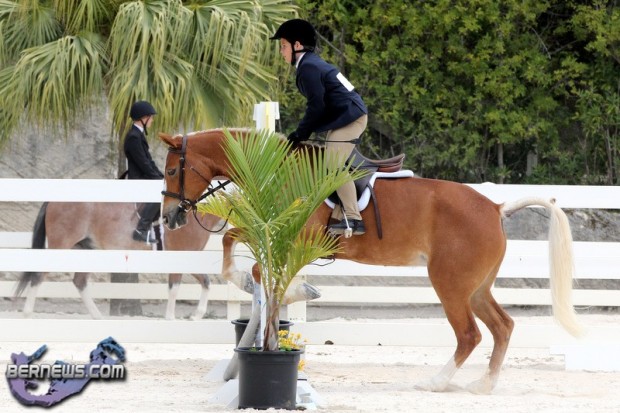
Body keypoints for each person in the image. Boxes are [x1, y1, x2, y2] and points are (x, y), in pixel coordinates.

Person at [270, 19, 368, 236]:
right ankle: (338, 213)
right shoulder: (313, 64)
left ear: (297, 45)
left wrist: (300, 133)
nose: (281, 52)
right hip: (344, 117)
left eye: (283, 46)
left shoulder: (308, 67)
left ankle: (354, 219)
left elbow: (316, 106)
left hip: (351, 119)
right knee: (328, 163)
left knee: (333, 165)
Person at [124, 100, 164, 243]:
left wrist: (161, 176)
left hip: (144, 175)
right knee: (160, 193)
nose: (152, 120)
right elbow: (143, 164)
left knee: (164, 186)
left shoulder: (138, 135)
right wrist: (157, 180)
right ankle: (141, 230)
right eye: (151, 117)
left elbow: (149, 161)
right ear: (143, 118)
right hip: (138, 177)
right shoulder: (134, 137)